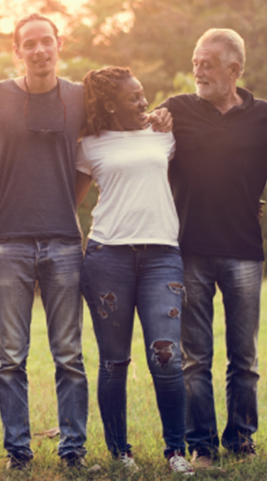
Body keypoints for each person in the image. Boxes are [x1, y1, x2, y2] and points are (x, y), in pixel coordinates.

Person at [160, 28, 267, 468]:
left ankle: (241, 440)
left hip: (243, 251)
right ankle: (202, 445)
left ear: (234, 70)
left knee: (245, 358)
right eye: (195, 62)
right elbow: (136, 133)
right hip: (189, 251)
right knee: (194, 358)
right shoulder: (177, 110)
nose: (197, 70)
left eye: (207, 63)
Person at [0, 13, 90, 471]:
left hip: (64, 241)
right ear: (17, 51)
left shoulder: (81, 97)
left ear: (59, 45)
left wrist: (68, 202)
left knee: (70, 355)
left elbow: (92, 159)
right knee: (10, 357)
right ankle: (18, 452)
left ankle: (73, 450)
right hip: (7, 244)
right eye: (30, 44)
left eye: (47, 41)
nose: (40, 50)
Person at [74, 67, 193, 475]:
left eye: (144, 95)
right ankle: (119, 452)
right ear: (110, 104)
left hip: (163, 255)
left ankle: (176, 451)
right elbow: (70, 204)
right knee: (114, 361)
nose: (144, 102)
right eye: (134, 97)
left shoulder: (165, 135)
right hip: (109, 257)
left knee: (167, 357)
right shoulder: (88, 145)